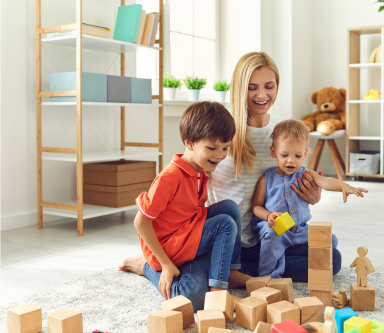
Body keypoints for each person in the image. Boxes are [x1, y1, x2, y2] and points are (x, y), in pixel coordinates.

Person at [207, 51, 342, 280]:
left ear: (277, 86)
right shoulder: (221, 128)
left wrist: (312, 197)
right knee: (322, 262)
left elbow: (295, 183)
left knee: (332, 258)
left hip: (271, 236)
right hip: (232, 241)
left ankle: (238, 274)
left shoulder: (283, 132)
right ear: (240, 88)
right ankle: (230, 270)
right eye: (252, 87)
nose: (262, 95)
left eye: (269, 86)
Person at [119, 101, 250, 311]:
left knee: (230, 208)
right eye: (212, 148)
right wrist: (166, 265)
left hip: (186, 233)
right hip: (169, 248)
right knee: (190, 296)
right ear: (189, 143)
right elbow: (141, 222)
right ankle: (147, 267)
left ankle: (229, 274)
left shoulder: (199, 169)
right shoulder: (170, 178)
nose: (220, 155)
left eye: (225, 148)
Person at [251, 120, 368, 278]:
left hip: (301, 230)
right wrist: (268, 216)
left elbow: (326, 181)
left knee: (330, 239)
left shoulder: (306, 174)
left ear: (305, 154)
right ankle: (266, 277)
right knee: (271, 240)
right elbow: (256, 206)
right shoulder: (267, 179)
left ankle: (287, 258)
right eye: (284, 155)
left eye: (298, 156)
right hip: (277, 230)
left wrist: (344, 186)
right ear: (273, 152)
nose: (291, 160)